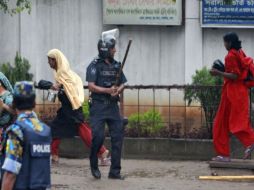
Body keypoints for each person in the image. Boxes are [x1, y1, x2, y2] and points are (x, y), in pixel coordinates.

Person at [47, 49, 110, 165]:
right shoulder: (60, 73)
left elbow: (70, 89)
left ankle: (102, 151)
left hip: (72, 110)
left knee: (84, 132)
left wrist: (59, 87)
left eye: (50, 60)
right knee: (55, 129)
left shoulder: (64, 73)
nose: (48, 63)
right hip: (66, 109)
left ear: (56, 60)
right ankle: (54, 155)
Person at [86, 32, 127, 180]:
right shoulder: (94, 65)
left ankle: (114, 172)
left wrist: (117, 90)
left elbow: (123, 83)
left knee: (118, 137)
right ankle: (93, 163)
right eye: (112, 48)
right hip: (98, 106)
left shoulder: (117, 65)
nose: (115, 50)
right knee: (98, 136)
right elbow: (91, 86)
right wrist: (107, 90)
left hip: (112, 107)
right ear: (105, 50)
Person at [210, 32, 254, 162]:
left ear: (229, 42)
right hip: (235, 91)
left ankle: (249, 142)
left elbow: (235, 76)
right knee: (226, 122)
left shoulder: (230, 55)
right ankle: (224, 154)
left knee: (232, 122)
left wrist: (218, 72)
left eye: (225, 42)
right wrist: (224, 70)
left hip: (234, 92)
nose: (224, 45)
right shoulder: (240, 52)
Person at [1, 81, 51, 190]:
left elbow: (11, 172)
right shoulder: (45, 130)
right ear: (34, 103)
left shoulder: (16, 130)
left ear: (14, 103)